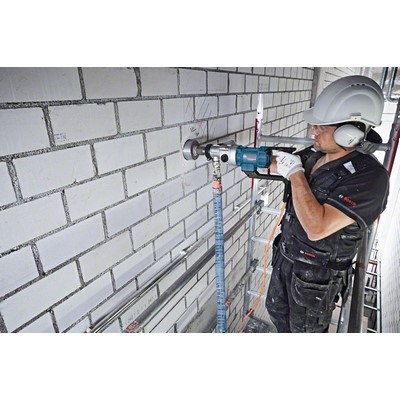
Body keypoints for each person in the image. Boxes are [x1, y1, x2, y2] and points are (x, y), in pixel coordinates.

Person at [264, 75, 390, 333]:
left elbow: (317, 227)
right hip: (285, 260)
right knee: (277, 314)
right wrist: (242, 156)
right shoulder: (315, 154)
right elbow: (276, 164)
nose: (313, 131)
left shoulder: (370, 179)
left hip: (314, 281)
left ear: (349, 133)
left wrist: (295, 173)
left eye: (321, 126)